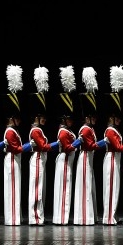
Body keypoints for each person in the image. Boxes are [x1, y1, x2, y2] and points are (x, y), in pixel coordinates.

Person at [99, 67, 123, 226]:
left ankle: (111, 215)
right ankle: (108, 217)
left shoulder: (113, 130)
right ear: (112, 118)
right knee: (111, 188)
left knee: (114, 188)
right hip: (112, 159)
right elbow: (119, 147)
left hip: (115, 160)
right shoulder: (111, 130)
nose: (119, 121)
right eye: (117, 118)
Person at [25, 69, 58, 226]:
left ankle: (38, 216)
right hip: (38, 159)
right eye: (42, 117)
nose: (45, 120)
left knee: (40, 189)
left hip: (41, 160)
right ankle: (35, 217)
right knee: (37, 189)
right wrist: (57, 144)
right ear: (37, 118)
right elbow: (43, 147)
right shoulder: (36, 130)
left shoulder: (39, 129)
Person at [1, 66, 31, 226]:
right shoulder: (10, 132)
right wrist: (30, 145)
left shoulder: (13, 130)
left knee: (15, 188)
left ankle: (15, 217)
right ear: (12, 118)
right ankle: (12, 219)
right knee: (12, 189)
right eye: (17, 119)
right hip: (12, 160)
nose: (19, 121)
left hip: (15, 160)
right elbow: (16, 149)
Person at [72, 67, 101, 226]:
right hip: (84, 157)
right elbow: (90, 145)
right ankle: (83, 218)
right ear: (88, 118)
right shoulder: (85, 129)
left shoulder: (89, 129)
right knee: (85, 185)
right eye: (93, 117)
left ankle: (89, 216)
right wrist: (103, 143)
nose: (95, 120)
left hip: (88, 158)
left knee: (89, 185)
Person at [51, 66, 78, 226]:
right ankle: (61, 218)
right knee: (64, 189)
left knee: (65, 189)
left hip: (67, 161)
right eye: (69, 120)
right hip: (65, 160)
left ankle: (62, 217)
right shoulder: (63, 131)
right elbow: (67, 148)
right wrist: (78, 142)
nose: (72, 122)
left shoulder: (67, 130)